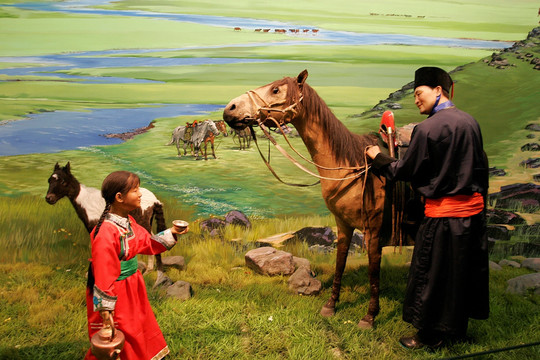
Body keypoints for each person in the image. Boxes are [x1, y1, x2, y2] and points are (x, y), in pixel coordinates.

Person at [366, 67, 489, 349]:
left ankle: (429, 335)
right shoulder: (471, 122)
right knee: (460, 274)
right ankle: (456, 329)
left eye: (419, 93)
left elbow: (405, 171)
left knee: (431, 276)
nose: (416, 100)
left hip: (442, 216)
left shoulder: (428, 129)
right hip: (471, 216)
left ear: (438, 90)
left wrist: (377, 157)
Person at [85, 171, 189, 359]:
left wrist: (172, 232)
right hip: (117, 292)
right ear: (119, 197)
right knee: (123, 331)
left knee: (138, 325)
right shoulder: (106, 233)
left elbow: (147, 243)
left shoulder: (128, 222)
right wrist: (106, 315)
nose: (140, 194)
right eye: (135, 190)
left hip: (133, 286)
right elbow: (103, 276)